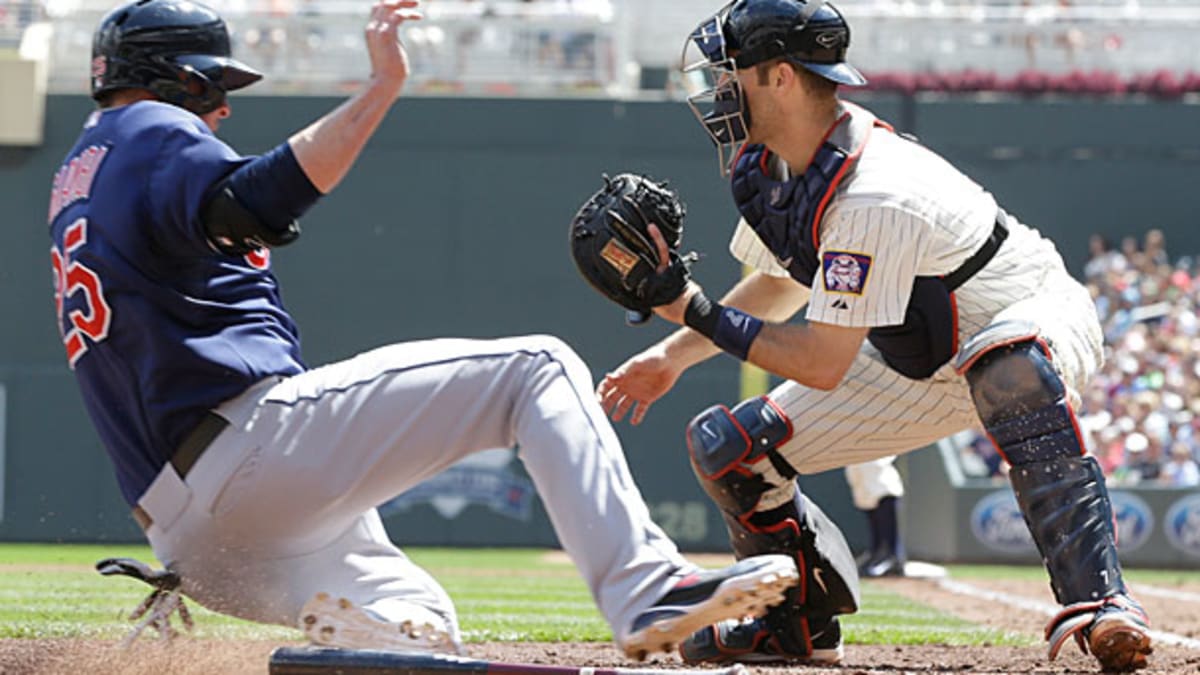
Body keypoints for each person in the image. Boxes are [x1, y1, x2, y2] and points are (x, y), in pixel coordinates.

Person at [47, 0, 801, 661]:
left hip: (201, 546)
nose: (223, 109)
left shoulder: (83, 172)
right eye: (215, 86)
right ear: (179, 78)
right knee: (534, 367)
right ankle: (645, 592)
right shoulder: (148, 126)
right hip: (244, 456)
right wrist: (380, 89)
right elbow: (254, 202)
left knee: (420, 630)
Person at [596, 0, 1153, 670]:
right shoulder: (771, 166)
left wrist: (692, 308)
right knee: (731, 450)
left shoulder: (874, 192)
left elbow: (823, 362)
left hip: (1027, 314)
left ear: (779, 76)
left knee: (1008, 366)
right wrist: (671, 356)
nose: (720, 87)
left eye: (732, 70)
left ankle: (1102, 604)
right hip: (916, 353)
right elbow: (778, 284)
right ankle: (791, 623)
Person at [846, 457, 906, 578]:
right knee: (877, 537)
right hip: (866, 490)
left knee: (889, 535)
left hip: (884, 488)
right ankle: (876, 557)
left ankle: (893, 559)